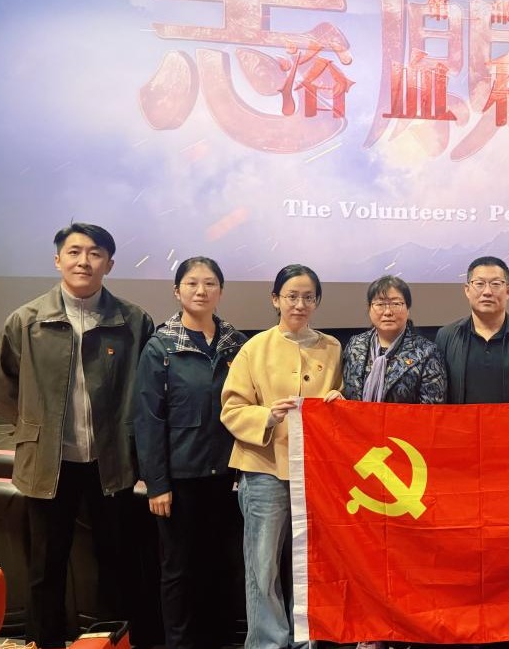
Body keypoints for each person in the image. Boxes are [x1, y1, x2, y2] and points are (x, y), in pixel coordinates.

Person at [0, 222, 155, 648]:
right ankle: (45, 641)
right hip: (49, 462)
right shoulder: (27, 320)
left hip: (111, 461)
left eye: (95, 253)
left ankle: (112, 640)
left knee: (116, 561)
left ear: (109, 264)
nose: (84, 261)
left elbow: (148, 392)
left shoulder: (133, 321)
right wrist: (34, 429)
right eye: (74, 252)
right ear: (58, 259)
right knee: (46, 564)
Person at [220, 264, 342, 649]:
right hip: (263, 470)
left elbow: (343, 403)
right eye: (291, 296)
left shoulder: (332, 348)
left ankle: (309, 638)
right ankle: (268, 642)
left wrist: (340, 401)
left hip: (315, 475)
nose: (299, 304)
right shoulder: (254, 348)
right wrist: (267, 416)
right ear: (275, 299)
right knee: (263, 565)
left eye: (308, 297)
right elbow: (231, 409)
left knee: (312, 564)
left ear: (317, 302)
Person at [134, 256, 247, 649]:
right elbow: (148, 418)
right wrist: (157, 483)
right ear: (177, 291)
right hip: (180, 479)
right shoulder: (160, 346)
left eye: (210, 283)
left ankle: (218, 639)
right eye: (192, 283)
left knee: (222, 564)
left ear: (221, 291)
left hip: (228, 475)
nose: (202, 291)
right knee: (178, 569)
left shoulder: (236, 344)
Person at [436, 255, 509, 404]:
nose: (487, 291)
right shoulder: (446, 337)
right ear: (467, 290)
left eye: (495, 284)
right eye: (479, 284)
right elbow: (438, 398)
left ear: (508, 291)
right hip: (462, 420)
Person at [339, 275, 446, 405]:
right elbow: (347, 394)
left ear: (408, 309)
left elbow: (432, 409)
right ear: (369, 309)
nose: (388, 312)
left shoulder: (427, 352)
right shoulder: (355, 345)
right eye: (380, 304)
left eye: (396, 304)